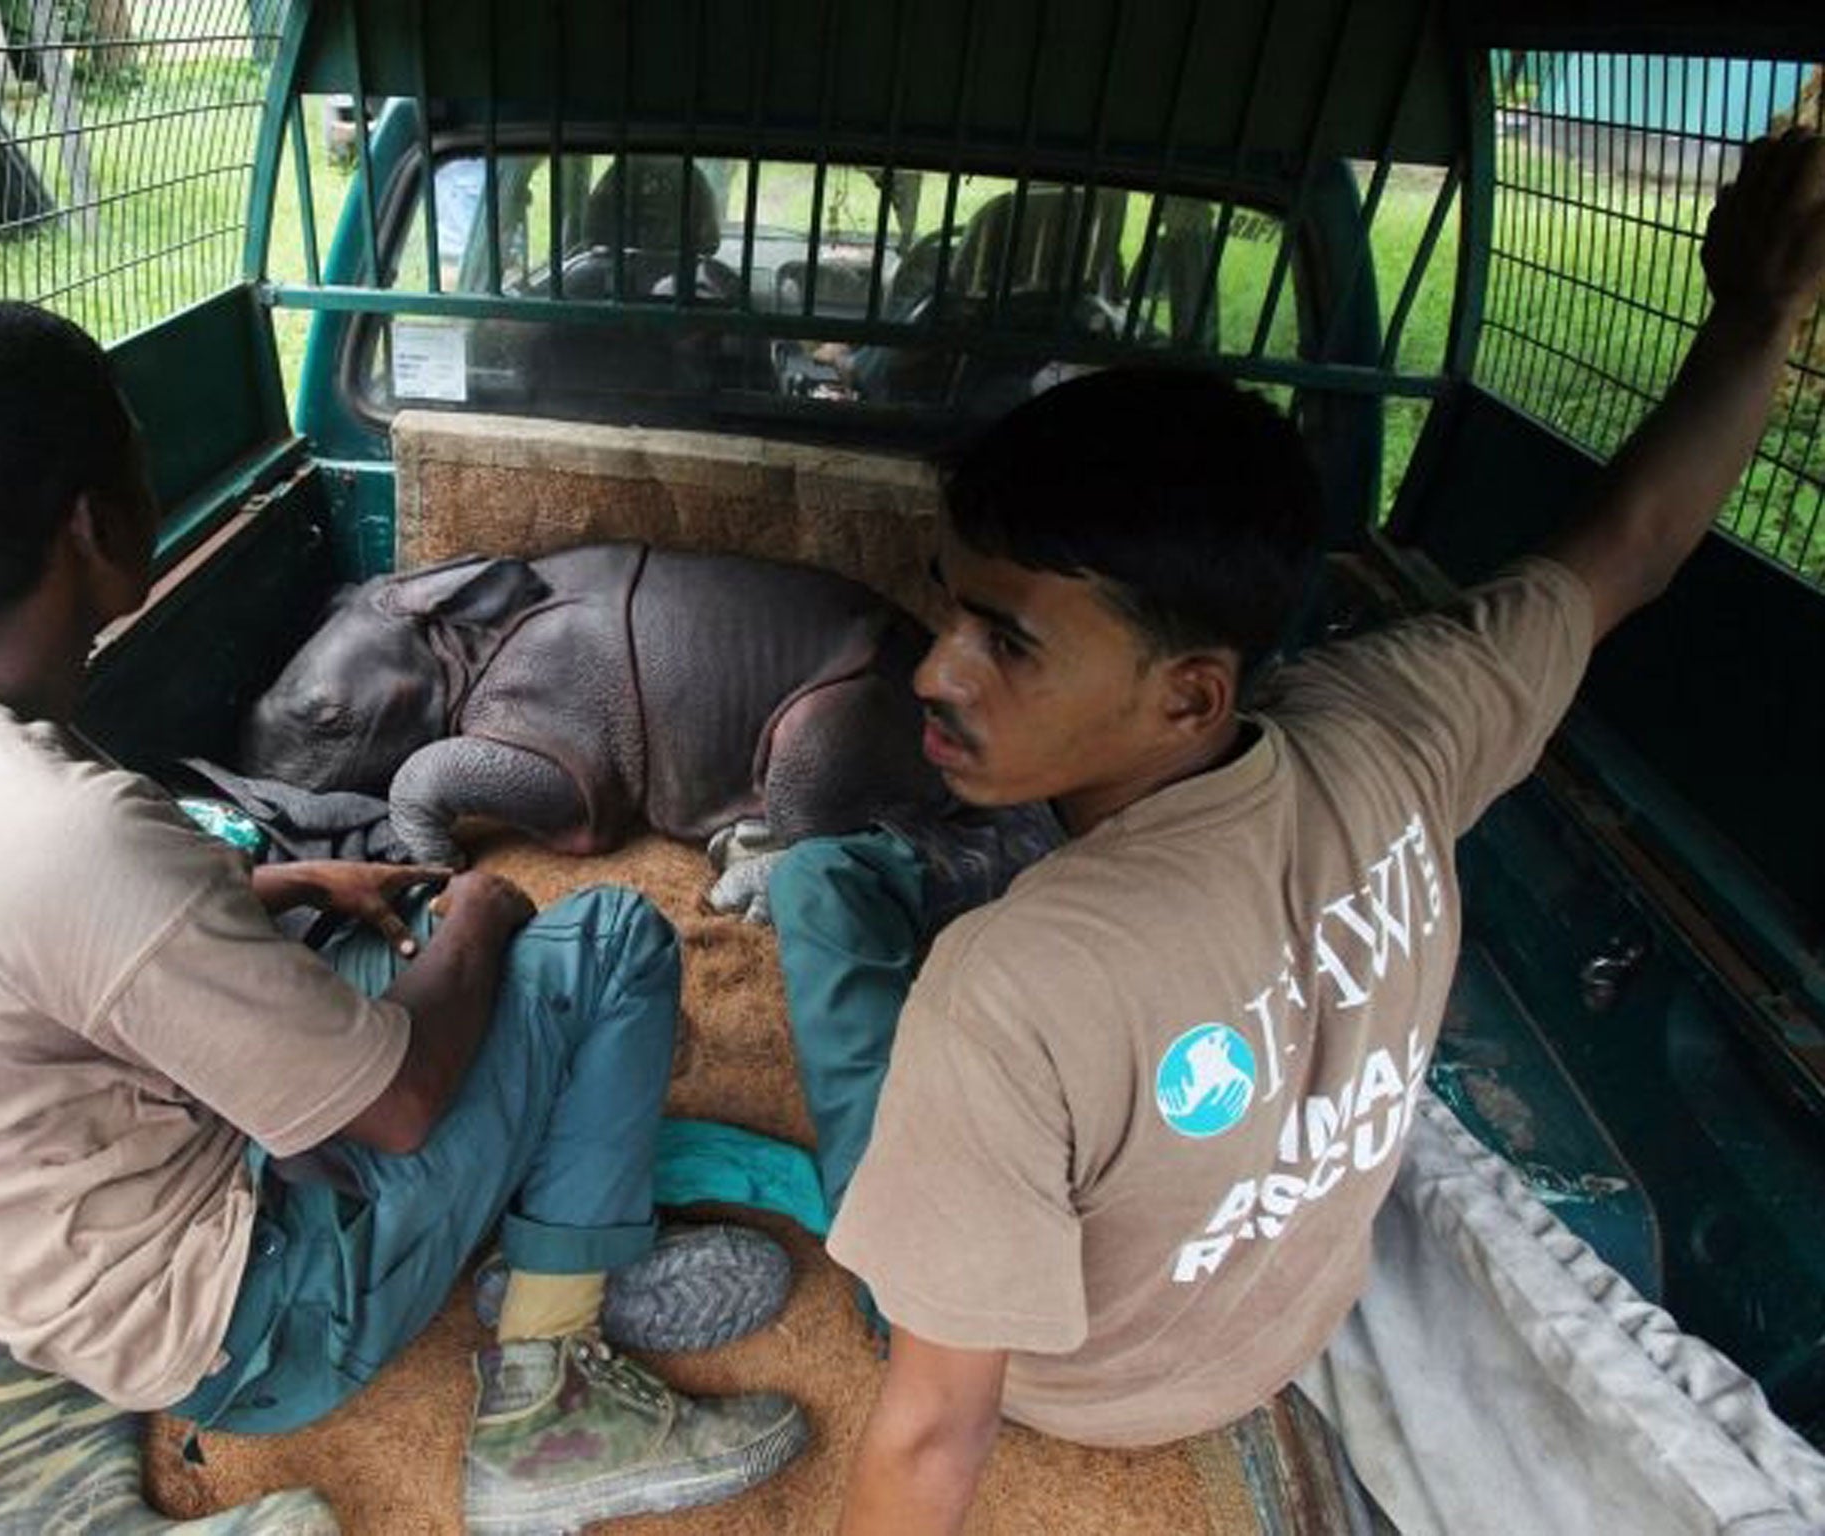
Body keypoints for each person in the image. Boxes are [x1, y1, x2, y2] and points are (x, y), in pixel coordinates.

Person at [781, 127, 1825, 1534]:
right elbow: (1624, 545)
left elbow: (931, 1434)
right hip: (1269, 1334)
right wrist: (1757, 319)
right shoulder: (1398, 721)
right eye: (944, 601)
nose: (932, 669)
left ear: (1188, 693)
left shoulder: (1009, 994)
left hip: (1068, 1378)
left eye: (1005, 643)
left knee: (822, 888)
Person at [0, 298, 808, 1532]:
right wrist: (483, 910)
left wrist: (283, 884)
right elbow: (402, 1102)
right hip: (240, 1329)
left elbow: (32, 956)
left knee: (336, 947)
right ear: (94, 521)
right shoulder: (74, 838)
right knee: (602, 944)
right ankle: (550, 1399)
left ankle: (548, 1231)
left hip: (12, 1256)